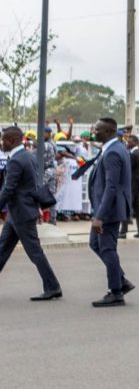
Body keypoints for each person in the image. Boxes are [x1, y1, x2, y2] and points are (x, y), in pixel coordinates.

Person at [0, 127, 62, 301]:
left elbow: (8, 189)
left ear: (11, 140)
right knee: (2, 249)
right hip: (18, 213)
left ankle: (53, 287)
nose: (1, 143)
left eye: (3, 140)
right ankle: (53, 287)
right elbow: (32, 185)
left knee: (35, 252)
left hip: (21, 213)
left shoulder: (16, 160)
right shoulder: (28, 156)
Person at [88, 118, 135, 307]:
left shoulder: (113, 152)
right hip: (105, 207)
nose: (94, 132)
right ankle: (121, 280)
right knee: (95, 243)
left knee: (107, 249)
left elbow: (111, 187)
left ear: (108, 132)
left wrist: (100, 216)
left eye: (97, 129)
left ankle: (115, 292)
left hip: (109, 210)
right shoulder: (112, 148)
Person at [119, 135, 139, 239]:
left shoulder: (134, 155)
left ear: (135, 143)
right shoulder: (138, 153)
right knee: (138, 209)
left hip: (132, 184)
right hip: (136, 184)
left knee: (126, 206)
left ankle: (123, 232)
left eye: (129, 142)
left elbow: (127, 168)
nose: (127, 144)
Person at [43, 126, 58, 224]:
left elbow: (42, 158)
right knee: (51, 194)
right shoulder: (53, 143)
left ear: (48, 133)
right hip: (52, 169)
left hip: (47, 170)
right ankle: (53, 218)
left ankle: (39, 217)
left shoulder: (47, 144)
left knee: (39, 190)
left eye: (43, 133)